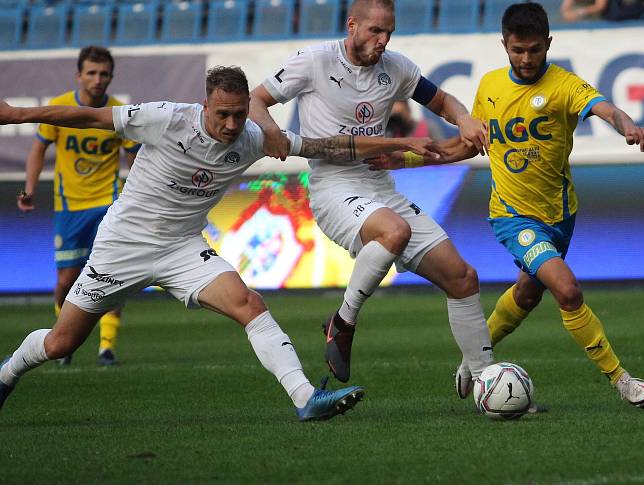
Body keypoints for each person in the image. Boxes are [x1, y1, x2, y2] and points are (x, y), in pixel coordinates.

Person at [0, 65, 438, 419]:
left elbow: (327, 147)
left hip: (183, 248)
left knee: (250, 305)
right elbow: (91, 118)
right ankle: (7, 375)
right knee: (61, 344)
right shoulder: (165, 118)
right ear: (204, 105)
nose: (230, 125)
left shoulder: (252, 138)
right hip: (123, 247)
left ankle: (305, 398)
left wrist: (401, 143)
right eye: (221, 114)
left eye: (239, 114)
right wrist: (18, 115)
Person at [366, 2, 644, 409]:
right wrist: (408, 158)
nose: (525, 58)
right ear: (504, 45)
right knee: (567, 290)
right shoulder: (490, 87)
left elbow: (604, 108)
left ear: (549, 44)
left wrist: (627, 125)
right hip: (511, 215)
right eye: (517, 50)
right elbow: (466, 146)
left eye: (535, 50)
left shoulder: (563, 85)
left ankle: (473, 358)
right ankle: (623, 380)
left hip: (561, 213)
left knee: (526, 293)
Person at [249, 0, 495, 390]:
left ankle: (486, 381)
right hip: (333, 187)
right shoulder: (315, 60)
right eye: (375, 30)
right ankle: (344, 323)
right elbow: (255, 100)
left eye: (389, 32)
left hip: (379, 186)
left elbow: (442, 100)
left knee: (463, 277)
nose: (383, 40)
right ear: (352, 26)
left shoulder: (396, 68)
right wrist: (271, 130)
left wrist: (464, 118)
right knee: (393, 232)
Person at [17, 46, 138, 367]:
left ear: (111, 77)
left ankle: (106, 347)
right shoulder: (58, 108)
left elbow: (135, 157)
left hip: (109, 203)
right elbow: (38, 150)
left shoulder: (119, 112)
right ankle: (63, 339)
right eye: (92, 73)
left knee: (112, 275)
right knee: (66, 280)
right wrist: (29, 188)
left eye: (104, 74)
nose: (98, 79)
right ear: (79, 75)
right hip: (70, 206)